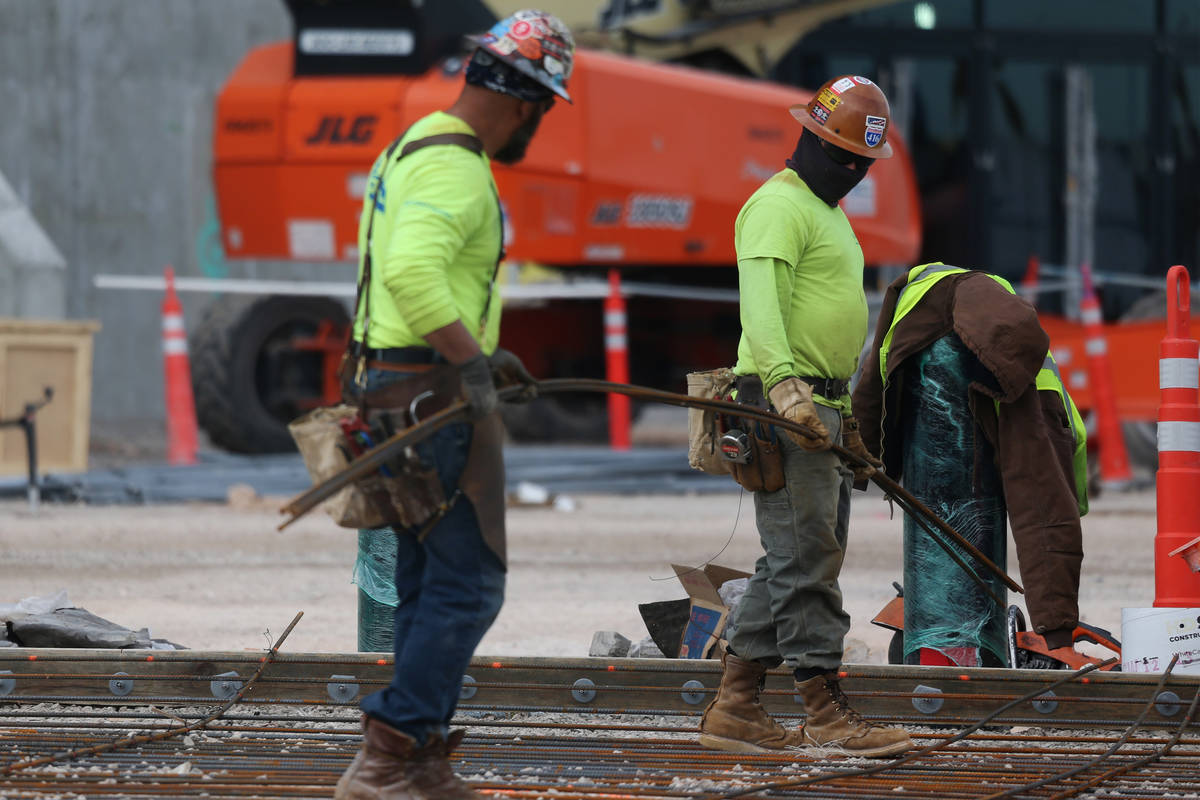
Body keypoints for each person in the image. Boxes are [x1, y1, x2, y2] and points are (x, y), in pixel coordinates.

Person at [333, 11, 574, 800]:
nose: (535, 129)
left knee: (424, 577)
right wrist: (472, 365)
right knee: (470, 585)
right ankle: (389, 755)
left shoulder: (413, 145)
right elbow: (410, 274)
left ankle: (421, 761)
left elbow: (402, 278)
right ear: (525, 103)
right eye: (541, 113)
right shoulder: (458, 169)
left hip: (389, 390)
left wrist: (480, 347)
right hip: (428, 401)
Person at [697, 75, 912, 758]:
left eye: (860, 165)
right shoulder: (777, 207)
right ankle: (824, 710)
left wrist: (843, 412)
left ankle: (736, 708)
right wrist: (789, 389)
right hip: (778, 408)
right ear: (813, 140)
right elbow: (761, 311)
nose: (851, 173)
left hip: (816, 404)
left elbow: (825, 317)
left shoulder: (827, 212)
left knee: (790, 561)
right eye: (843, 159)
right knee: (807, 564)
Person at [851, 264, 1088, 664]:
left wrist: (864, 452)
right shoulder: (1011, 358)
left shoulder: (917, 302)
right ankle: (945, 642)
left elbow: (872, 387)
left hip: (948, 357)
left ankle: (947, 639)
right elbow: (1044, 504)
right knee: (1029, 497)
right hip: (975, 377)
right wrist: (1057, 632)